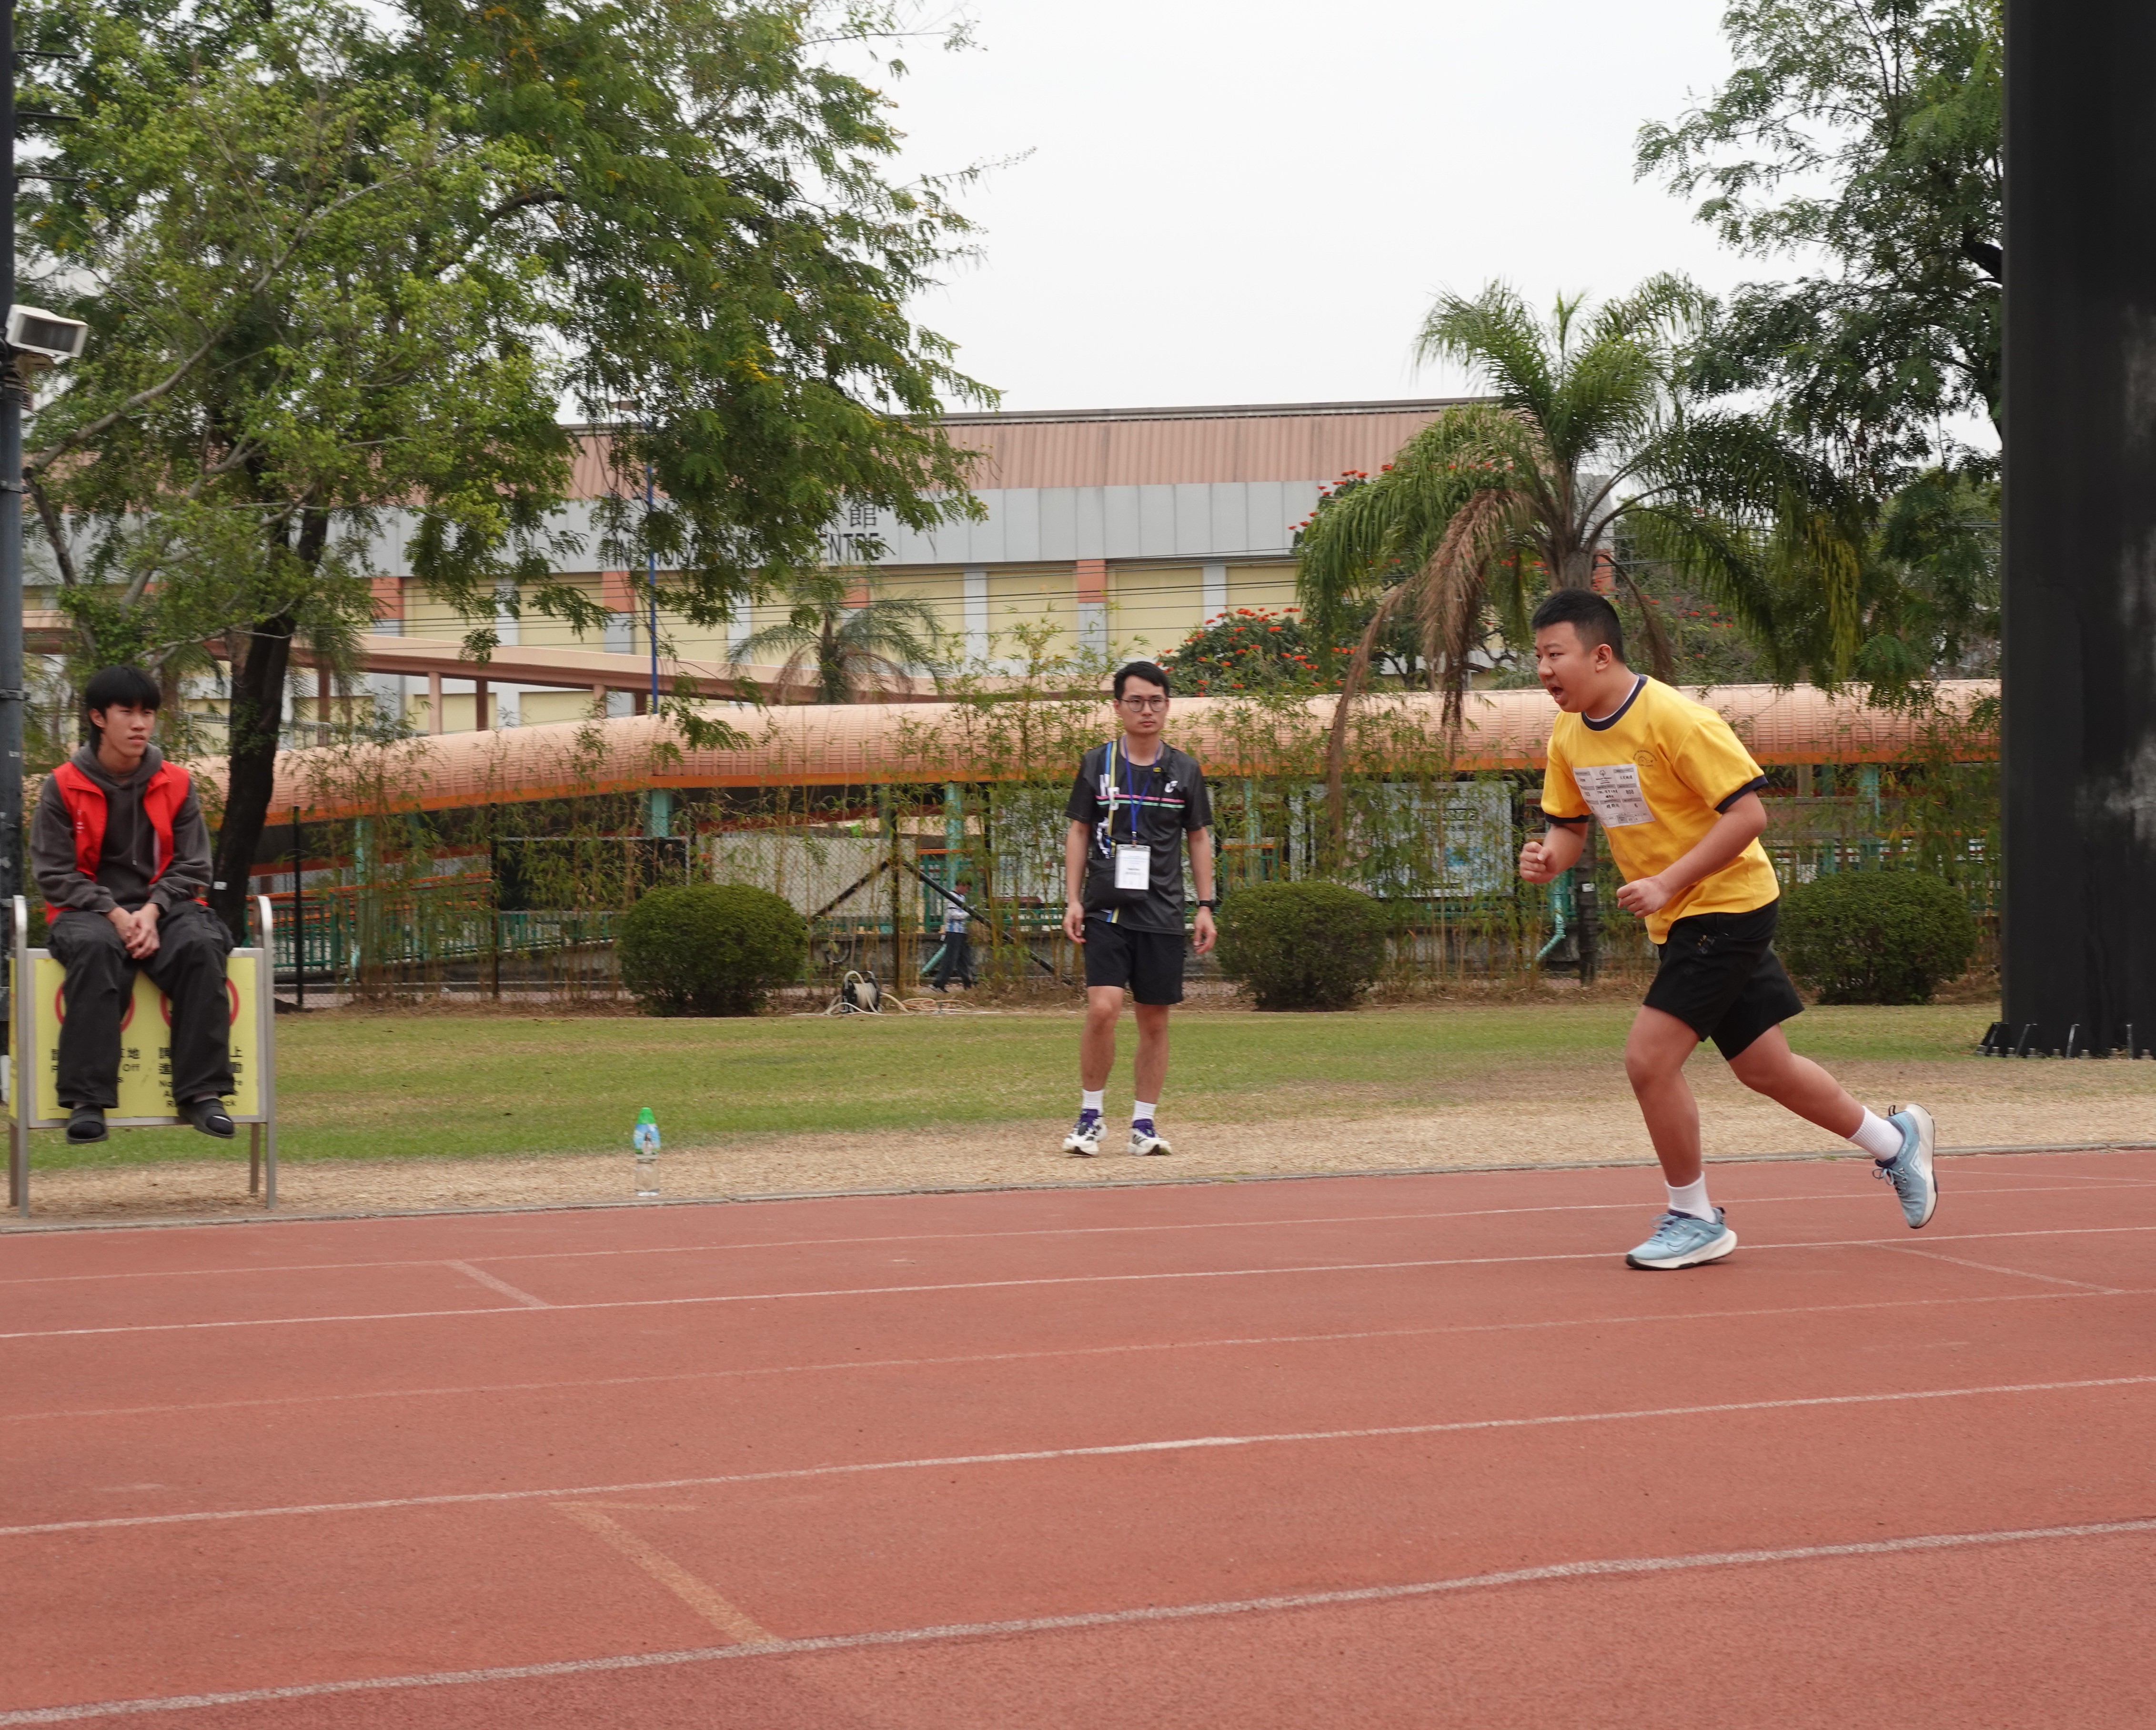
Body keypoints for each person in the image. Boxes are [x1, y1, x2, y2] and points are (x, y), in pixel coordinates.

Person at [1516, 590, 1936, 1269]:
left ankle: (1694, 1217)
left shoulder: (1676, 719)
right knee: (1765, 1068)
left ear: (1599, 655)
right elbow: (1567, 827)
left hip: (1726, 905)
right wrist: (1548, 860)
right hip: (1679, 916)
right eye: (1536, 656)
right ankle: (1895, 1142)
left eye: (1552, 654)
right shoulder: (1568, 734)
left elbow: (1747, 817)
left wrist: (1665, 881)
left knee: (1648, 1060)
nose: (1542, 669)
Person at [32, 667, 236, 1145]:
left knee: (202, 943)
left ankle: (202, 1093)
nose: (141, 723)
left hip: (164, 909)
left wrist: (152, 909)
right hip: (85, 912)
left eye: (148, 712)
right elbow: (54, 873)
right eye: (127, 712)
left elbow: (193, 866)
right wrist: (115, 913)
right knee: (95, 949)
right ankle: (87, 1101)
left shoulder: (178, 783)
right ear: (98, 717)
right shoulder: (61, 785)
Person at [1060, 661, 1217, 1156]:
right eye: (1135, 701)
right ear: (1118, 707)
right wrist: (1072, 899)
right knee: (1103, 1008)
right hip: (1106, 911)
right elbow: (1079, 830)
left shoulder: (1185, 770)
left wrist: (1205, 906)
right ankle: (1090, 1117)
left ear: (1167, 706)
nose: (1146, 710)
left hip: (1163, 913)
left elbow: (1198, 838)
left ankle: (1143, 1124)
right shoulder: (1097, 763)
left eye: (1155, 701)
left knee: (1154, 1020)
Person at [932, 878, 977, 991]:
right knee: (950, 959)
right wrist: (969, 912)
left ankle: (969, 983)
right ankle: (938, 984)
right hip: (953, 932)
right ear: (961, 885)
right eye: (966, 888)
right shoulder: (952, 896)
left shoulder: (962, 898)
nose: (967, 891)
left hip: (961, 932)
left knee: (965, 959)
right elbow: (953, 915)